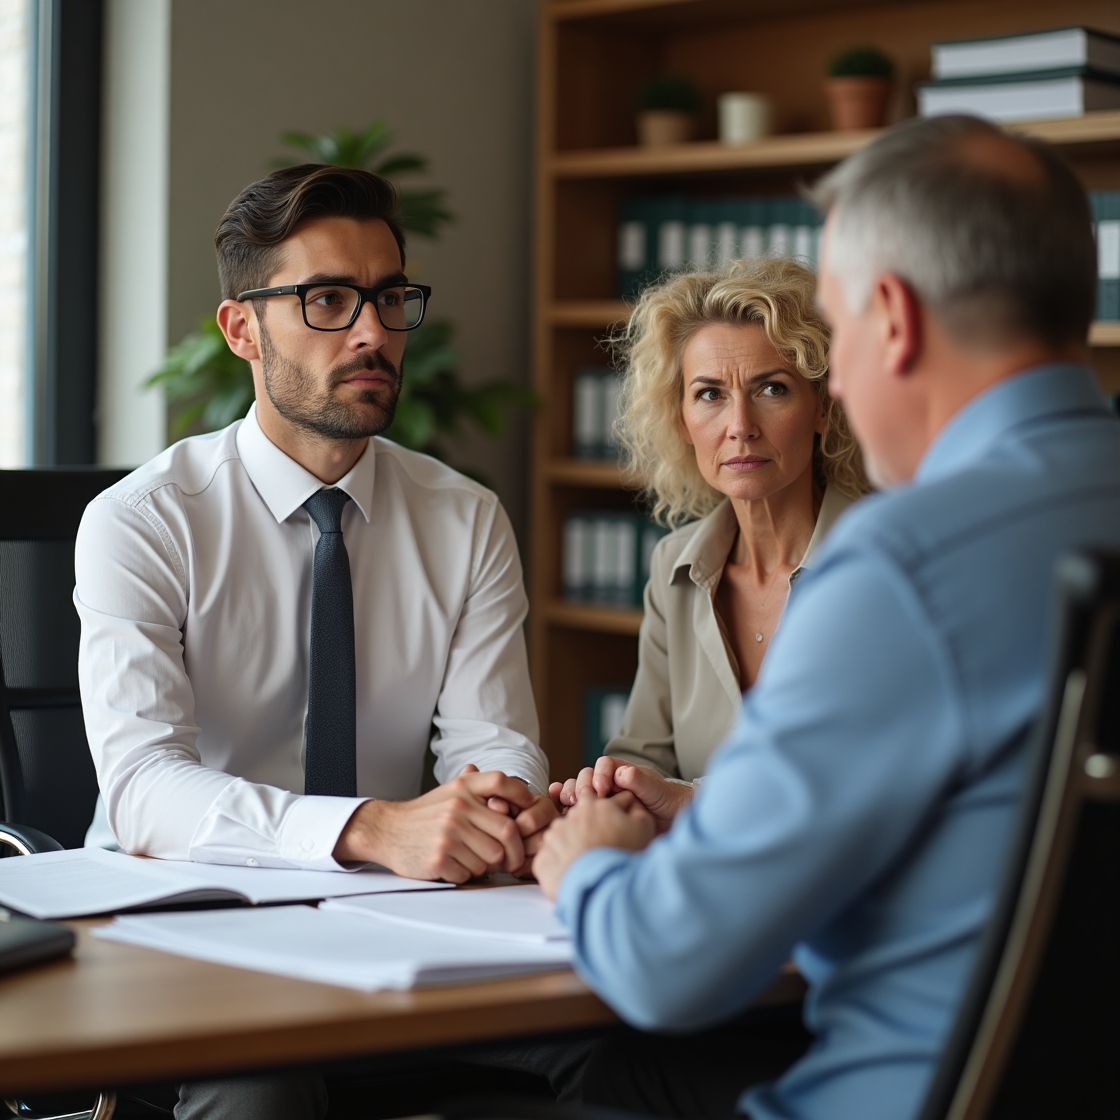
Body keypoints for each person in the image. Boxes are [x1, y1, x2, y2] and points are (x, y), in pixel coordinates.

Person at [533, 113, 1120, 1120]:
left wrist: (586, 867)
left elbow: (667, 966)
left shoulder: (900, 561)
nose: (835, 380)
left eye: (833, 338)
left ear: (889, 318)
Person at [75, 164, 555, 1118]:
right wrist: (371, 827)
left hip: (399, 922)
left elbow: (495, 745)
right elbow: (142, 792)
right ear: (242, 329)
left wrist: (497, 803)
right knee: (264, 1088)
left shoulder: (465, 519)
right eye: (328, 300)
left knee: (612, 1040)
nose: (373, 330)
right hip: (178, 929)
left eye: (387, 297)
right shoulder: (143, 521)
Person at [552, 259, 867, 816]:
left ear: (822, 407)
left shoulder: (882, 564)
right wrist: (607, 790)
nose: (740, 424)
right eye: (709, 394)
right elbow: (641, 754)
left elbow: (864, 784)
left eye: (772, 388)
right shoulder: (674, 566)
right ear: (680, 419)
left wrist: (686, 801)